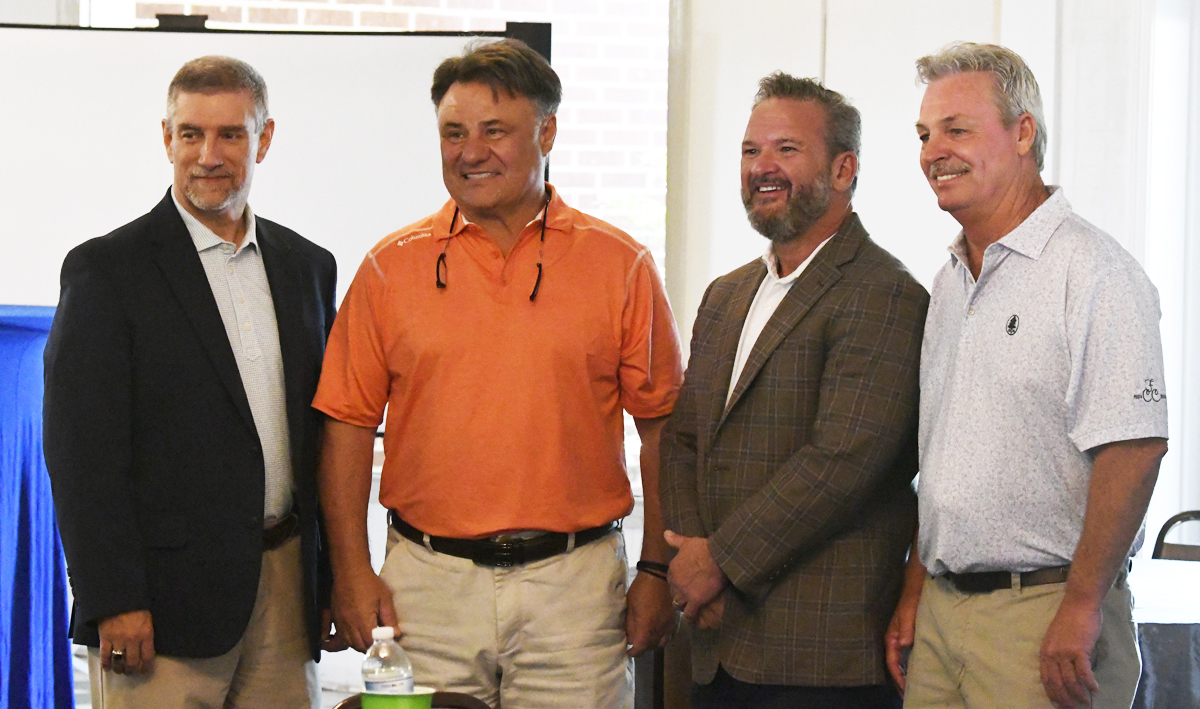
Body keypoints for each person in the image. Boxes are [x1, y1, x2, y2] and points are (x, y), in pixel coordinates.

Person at [312, 38, 684, 708]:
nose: (470, 152)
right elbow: (346, 426)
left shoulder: (621, 265)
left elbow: (663, 430)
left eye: (494, 131)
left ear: (547, 133)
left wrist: (656, 568)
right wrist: (351, 569)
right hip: (425, 588)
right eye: (453, 133)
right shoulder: (388, 268)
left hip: (575, 590)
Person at [43, 56, 338, 708]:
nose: (208, 155)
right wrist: (113, 598)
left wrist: (327, 582)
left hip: (285, 592)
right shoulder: (106, 271)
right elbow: (81, 453)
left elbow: (317, 438)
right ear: (166, 138)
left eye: (230, 134)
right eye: (190, 134)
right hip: (159, 606)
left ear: (264, 139)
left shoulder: (308, 267)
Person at [887, 42, 1169, 709]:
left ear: (1022, 133)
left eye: (956, 130)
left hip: (1046, 615)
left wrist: (1081, 605)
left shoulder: (1096, 273)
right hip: (943, 616)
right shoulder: (949, 282)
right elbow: (944, 459)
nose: (933, 152)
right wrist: (915, 592)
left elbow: (1134, 450)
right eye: (925, 135)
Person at [660, 72, 929, 709]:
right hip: (716, 638)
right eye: (750, 151)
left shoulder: (885, 293)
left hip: (820, 656)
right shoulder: (726, 295)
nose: (762, 167)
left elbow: (841, 462)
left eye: (786, 149)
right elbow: (684, 439)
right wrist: (694, 565)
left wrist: (717, 562)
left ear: (843, 169)